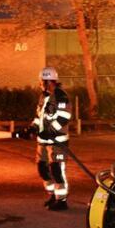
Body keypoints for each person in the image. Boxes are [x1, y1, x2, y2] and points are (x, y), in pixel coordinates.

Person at [30, 67, 73, 211]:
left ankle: (62, 200)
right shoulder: (43, 96)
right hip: (43, 141)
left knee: (56, 169)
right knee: (42, 168)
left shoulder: (61, 96)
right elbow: (39, 117)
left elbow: (63, 117)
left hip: (57, 141)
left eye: (42, 81)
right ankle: (53, 195)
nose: (40, 84)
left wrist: (50, 131)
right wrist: (33, 128)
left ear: (49, 81)